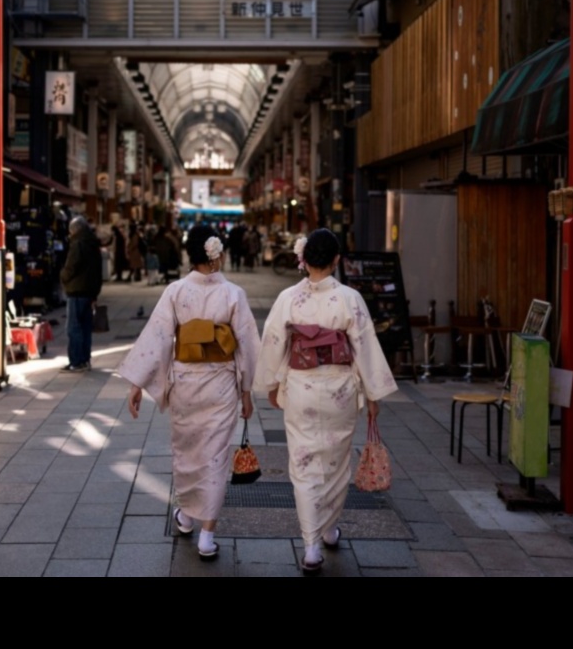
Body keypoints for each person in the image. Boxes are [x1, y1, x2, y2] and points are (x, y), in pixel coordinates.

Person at [255, 228, 399, 575]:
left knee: (303, 466)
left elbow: (273, 341)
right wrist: (374, 394)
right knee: (335, 464)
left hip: (302, 388)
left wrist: (271, 384)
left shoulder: (288, 298)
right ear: (336, 260)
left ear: (303, 259)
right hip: (339, 391)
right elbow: (364, 346)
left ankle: (311, 547)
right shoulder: (349, 298)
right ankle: (330, 528)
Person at [118, 225, 260, 562]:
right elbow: (248, 349)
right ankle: (206, 535)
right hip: (221, 383)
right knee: (215, 457)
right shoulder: (233, 294)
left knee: (186, 453)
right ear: (215, 255)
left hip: (185, 383)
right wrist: (246, 390)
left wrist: (136, 383)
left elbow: (156, 338)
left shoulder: (176, 291)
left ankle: (185, 513)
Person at [60, 216, 103, 372]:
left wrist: (62, 277)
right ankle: (85, 360)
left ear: (75, 230)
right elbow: (99, 270)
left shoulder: (78, 244)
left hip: (76, 291)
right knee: (85, 327)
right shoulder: (93, 243)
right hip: (90, 291)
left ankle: (76, 361)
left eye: (71, 231)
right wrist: (96, 291)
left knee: (74, 328)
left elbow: (71, 267)